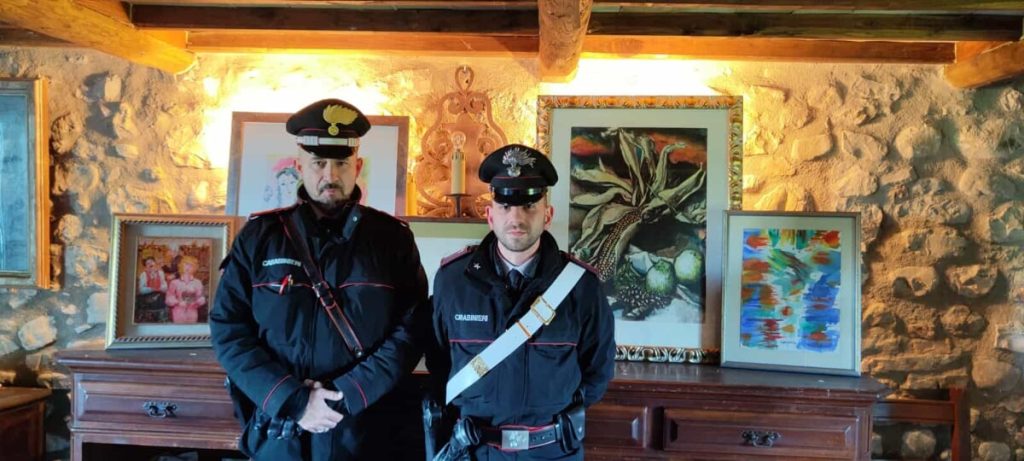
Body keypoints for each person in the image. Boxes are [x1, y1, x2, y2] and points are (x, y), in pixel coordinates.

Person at [210, 98, 429, 460]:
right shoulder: (259, 237)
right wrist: (293, 400)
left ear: (357, 166)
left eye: (341, 163)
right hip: (281, 429)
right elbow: (228, 328)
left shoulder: (392, 240)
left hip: (364, 431)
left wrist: (346, 395)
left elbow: (412, 330)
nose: (330, 175)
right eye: (319, 163)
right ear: (299, 166)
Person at [427, 144, 616, 460]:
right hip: (475, 450)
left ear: (547, 215)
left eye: (529, 206)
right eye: (504, 206)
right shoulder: (453, 280)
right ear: (490, 216)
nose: (516, 218)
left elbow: (597, 371)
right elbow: (439, 362)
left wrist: (551, 409)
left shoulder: (582, 287)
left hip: (552, 451)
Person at [165, 255, 206, 324]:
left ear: (194, 268)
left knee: (191, 329)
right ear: (181, 266)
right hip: (178, 312)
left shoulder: (198, 282)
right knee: (179, 329)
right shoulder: (174, 282)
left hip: (192, 312)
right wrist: (178, 302)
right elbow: (168, 298)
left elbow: (201, 297)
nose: (187, 267)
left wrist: (197, 302)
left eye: (190, 265)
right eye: (186, 264)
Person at [136, 256, 168, 322]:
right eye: (148, 263)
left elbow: (165, 287)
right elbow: (141, 290)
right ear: (145, 266)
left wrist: (160, 288)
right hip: (148, 299)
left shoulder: (160, 273)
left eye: (152, 262)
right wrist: (152, 289)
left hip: (159, 299)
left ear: (155, 263)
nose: (150, 264)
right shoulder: (143, 274)